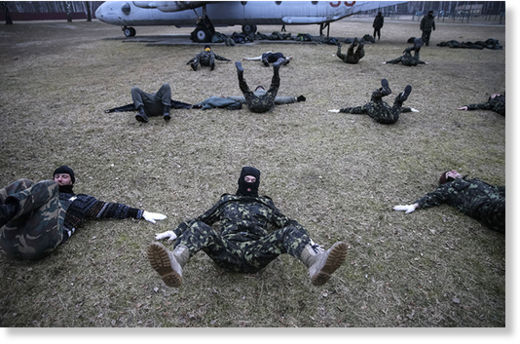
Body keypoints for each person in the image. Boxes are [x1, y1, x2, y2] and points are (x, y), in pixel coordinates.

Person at [147, 166, 348, 288]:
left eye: (253, 180)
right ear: (240, 180)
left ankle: (316, 262)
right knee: (199, 228)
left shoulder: (266, 204)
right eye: (247, 179)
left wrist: (310, 243)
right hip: (225, 250)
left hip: (256, 252)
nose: (249, 182)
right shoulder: (226, 201)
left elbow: (289, 224)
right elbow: (202, 219)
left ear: (258, 183)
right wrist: (176, 231)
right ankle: (175, 262)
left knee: (288, 232)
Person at [0, 166, 166, 260]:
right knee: (25, 183)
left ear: (71, 181)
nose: (58, 179)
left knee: (45, 186)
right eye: (56, 176)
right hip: (8, 243)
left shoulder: (80, 200)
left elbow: (109, 208)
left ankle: (6, 210)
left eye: (63, 177)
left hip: (38, 244)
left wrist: (141, 213)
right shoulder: (37, 196)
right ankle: (4, 210)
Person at [393, 170, 505, 233]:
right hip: (490, 208)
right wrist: (414, 205)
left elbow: (497, 189)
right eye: (450, 172)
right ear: (447, 179)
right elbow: (434, 196)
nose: (454, 171)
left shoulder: (473, 181)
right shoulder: (449, 187)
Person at [328, 79, 416, 124]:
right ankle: (401, 96)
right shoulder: (384, 104)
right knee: (397, 103)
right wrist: (410, 109)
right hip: (393, 117)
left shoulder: (367, 106)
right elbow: (400, 109)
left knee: (377, 96)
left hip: (383, 118)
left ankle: (384, 91)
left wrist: (339, 110)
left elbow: (353, 109)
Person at [193, 93, 306, 110]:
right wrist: (295, 99)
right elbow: (281, 100)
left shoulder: (250, 94)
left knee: (236, 102)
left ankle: (206, 104)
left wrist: (227, 96)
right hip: (265, 106)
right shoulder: (268, 94)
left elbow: (238, 98)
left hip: (253, 105)